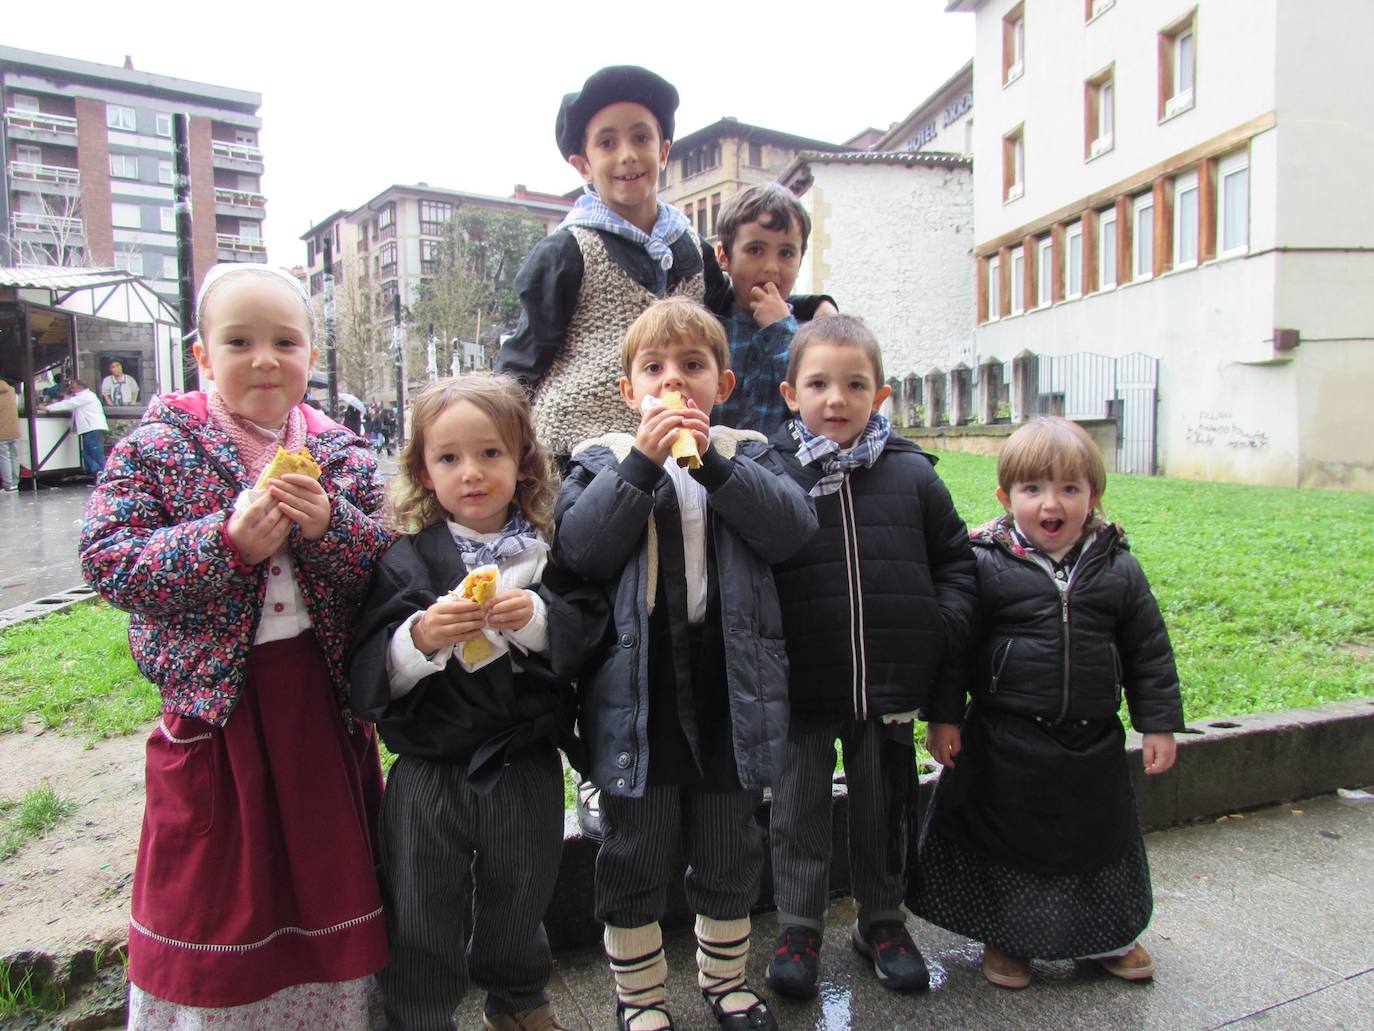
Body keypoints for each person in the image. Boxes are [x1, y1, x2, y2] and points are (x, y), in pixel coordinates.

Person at [79, 263, 391, 1027]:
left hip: (319, 703)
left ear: (311, 358)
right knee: (214, 883)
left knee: (330, 871)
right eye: (239, 340)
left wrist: (330, 527)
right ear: (201, 355)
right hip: (216, 712)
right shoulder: (158, 445)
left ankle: (334, 1013)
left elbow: (386, 561)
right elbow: (108, 557)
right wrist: (223, 544)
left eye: (285, 341)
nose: (264, 359)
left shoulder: (340, 449)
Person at [555, 297, 816, 1031]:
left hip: (728, 677)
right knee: (634, 845)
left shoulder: (750, 450)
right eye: (655, 368)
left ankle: (725, 980)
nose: (675, 382)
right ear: (627, 390)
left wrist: (720, 468)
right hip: (638, 685)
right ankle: (639, 997)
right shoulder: (602, 459)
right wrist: (642, 461)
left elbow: (792, 528)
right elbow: (582, 548)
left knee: (729, 841)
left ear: (723, 385)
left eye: (693, 366)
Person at [349, 375, 596, 1031]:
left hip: (524, 762)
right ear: (424, 473)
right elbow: (369, 673)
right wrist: (421, 636)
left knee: (522, 892)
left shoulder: (550, 553)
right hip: (431, 768)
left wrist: (537, 620)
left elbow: (586, 633)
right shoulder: (404, 562)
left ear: (523, 463)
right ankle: (421, 1012)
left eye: (491, 454)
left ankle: (518, 996)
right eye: (449, 457)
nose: (472, 473)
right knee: (423, 903)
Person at [911, 416, 1184, 990]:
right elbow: (954, 650)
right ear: (1006, 497)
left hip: (1092, 741)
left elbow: (1148, 651)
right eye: (1032, 489)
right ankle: (1010, 939)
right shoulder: (984, 562)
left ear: (1095, 497)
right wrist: (941, 718)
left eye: (1069, 489)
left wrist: (1157, 724)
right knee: (1010, 840)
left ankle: (1109, 936)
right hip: (1006, 739)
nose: (1050, 504)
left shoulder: (1119, 568)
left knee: (1098, 837)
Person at [763, 315, 977, 998]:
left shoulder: (911, 474)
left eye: (854, 384)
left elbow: (956, 563)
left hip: (891, 683)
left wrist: (936, 626)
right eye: (819, 383)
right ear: (790, 393)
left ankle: (881, 918)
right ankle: (799, 922)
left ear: (878, 393)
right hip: (800, 686)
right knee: (797, 808)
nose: (837, 399)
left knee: (885, 806)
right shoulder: (772, 475)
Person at [495, 65, 728, 462]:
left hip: (678, 449)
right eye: (607, 142)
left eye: (641, 137)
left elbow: (736, 313)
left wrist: (812, 306)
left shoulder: (695, 252)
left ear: (664, 150)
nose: (627, 154)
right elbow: (523, 361)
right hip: (581, 454)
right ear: (582, 165)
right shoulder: (567, 252)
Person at [710, 183, 832, 435]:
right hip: (709, 468)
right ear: (723, 256)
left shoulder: (809, 336)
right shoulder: (710, 327)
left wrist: (780, 330)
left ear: (800, 262)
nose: (771, 267)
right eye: (755, 250)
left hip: (781, 471)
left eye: (786, 253)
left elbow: (818, 398)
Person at [42, 379, 107, 477]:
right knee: (88, 452)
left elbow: (68, 404)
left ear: (78, 388)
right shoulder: (84, 396)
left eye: (72, 388)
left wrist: (48, 407)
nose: (71, 390)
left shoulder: (86, 397)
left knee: (95, 452)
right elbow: (69, 401)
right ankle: (98, 473)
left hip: (93, 427)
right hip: (90, 427)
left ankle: (104, 473)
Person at [0, 376, 19, 492]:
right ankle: (15, 484)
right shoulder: (11, 391)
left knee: (4, 458)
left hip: (2, 431)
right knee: (14, 457)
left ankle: (8, 485)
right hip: (15, 430)